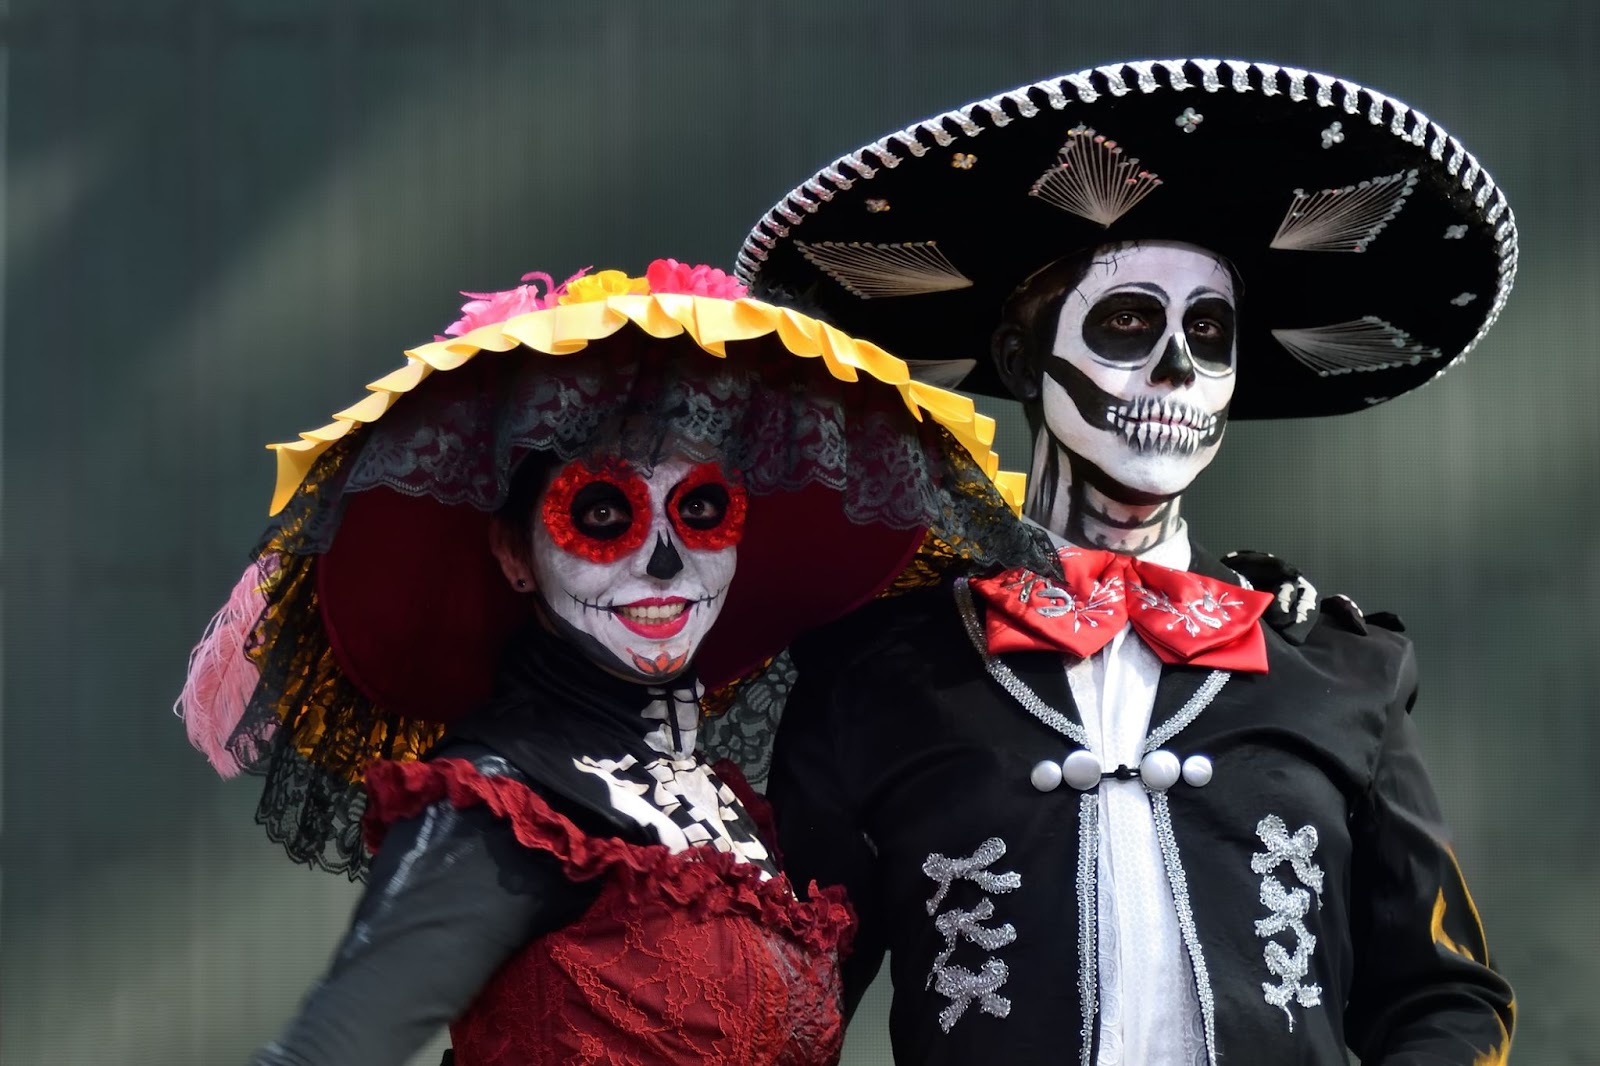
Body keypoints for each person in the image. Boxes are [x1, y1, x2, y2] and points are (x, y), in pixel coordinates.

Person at [737, 59, 1517, 1064]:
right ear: (1023, 362)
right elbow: (786, 1004)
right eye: (1128, 323)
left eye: (1209, 333)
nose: (1177, 372)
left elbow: (1441, 997)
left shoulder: (1339, 667)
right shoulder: (879, 674)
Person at [173, 259, 1047, 1065]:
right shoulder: (505, 801)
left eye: (702, 509)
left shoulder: (722, 806)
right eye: (601, 514)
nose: (665, 562)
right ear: (515, 553)